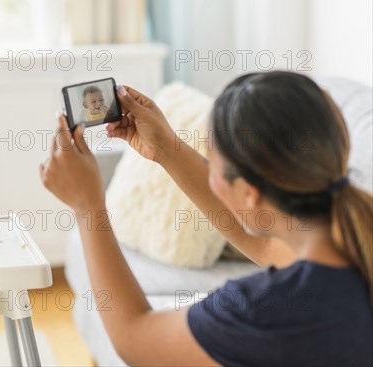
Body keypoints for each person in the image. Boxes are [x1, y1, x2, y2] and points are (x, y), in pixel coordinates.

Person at [40, 71, 373, 366]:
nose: (210, 172)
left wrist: (88, 209)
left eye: (212, 164)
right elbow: (268, 247)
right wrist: (167, 148)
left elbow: (136, 340)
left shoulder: (264, 310)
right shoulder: (353, 243)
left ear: (248, 193)